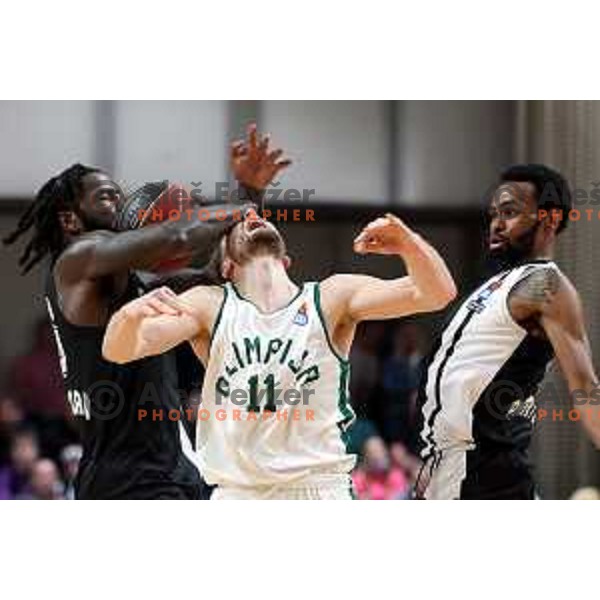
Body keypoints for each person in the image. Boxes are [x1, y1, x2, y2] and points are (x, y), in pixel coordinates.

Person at [3, 124, 289, 499]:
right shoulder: (76, 261)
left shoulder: (129, 284)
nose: (120, 207)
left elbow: (216, 276)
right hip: (134, 477)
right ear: (70, 220)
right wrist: (244, 205)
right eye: (106, 198)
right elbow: (179, 236)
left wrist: (250, 192)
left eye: (121, 198)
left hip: (166, 467)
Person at [102, 210, 456, 499]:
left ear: (286, 260)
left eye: (260, 215)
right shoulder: (209, 305)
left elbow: (436, 293)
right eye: (239, 222)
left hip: (318, 490)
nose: (253, 215)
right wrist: (127, 314)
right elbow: (119, 351)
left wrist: (410, 244)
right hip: (238, 494)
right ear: (226, 268)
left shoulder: (331, 298)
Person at [416, 164, 600, 499]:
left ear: (550, 219)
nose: (496, 224)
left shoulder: (548, 284)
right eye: (494, 214)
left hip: (487, 472)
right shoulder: (498, 282)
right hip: (446, 465)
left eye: (511, 212)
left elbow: (586, 389)